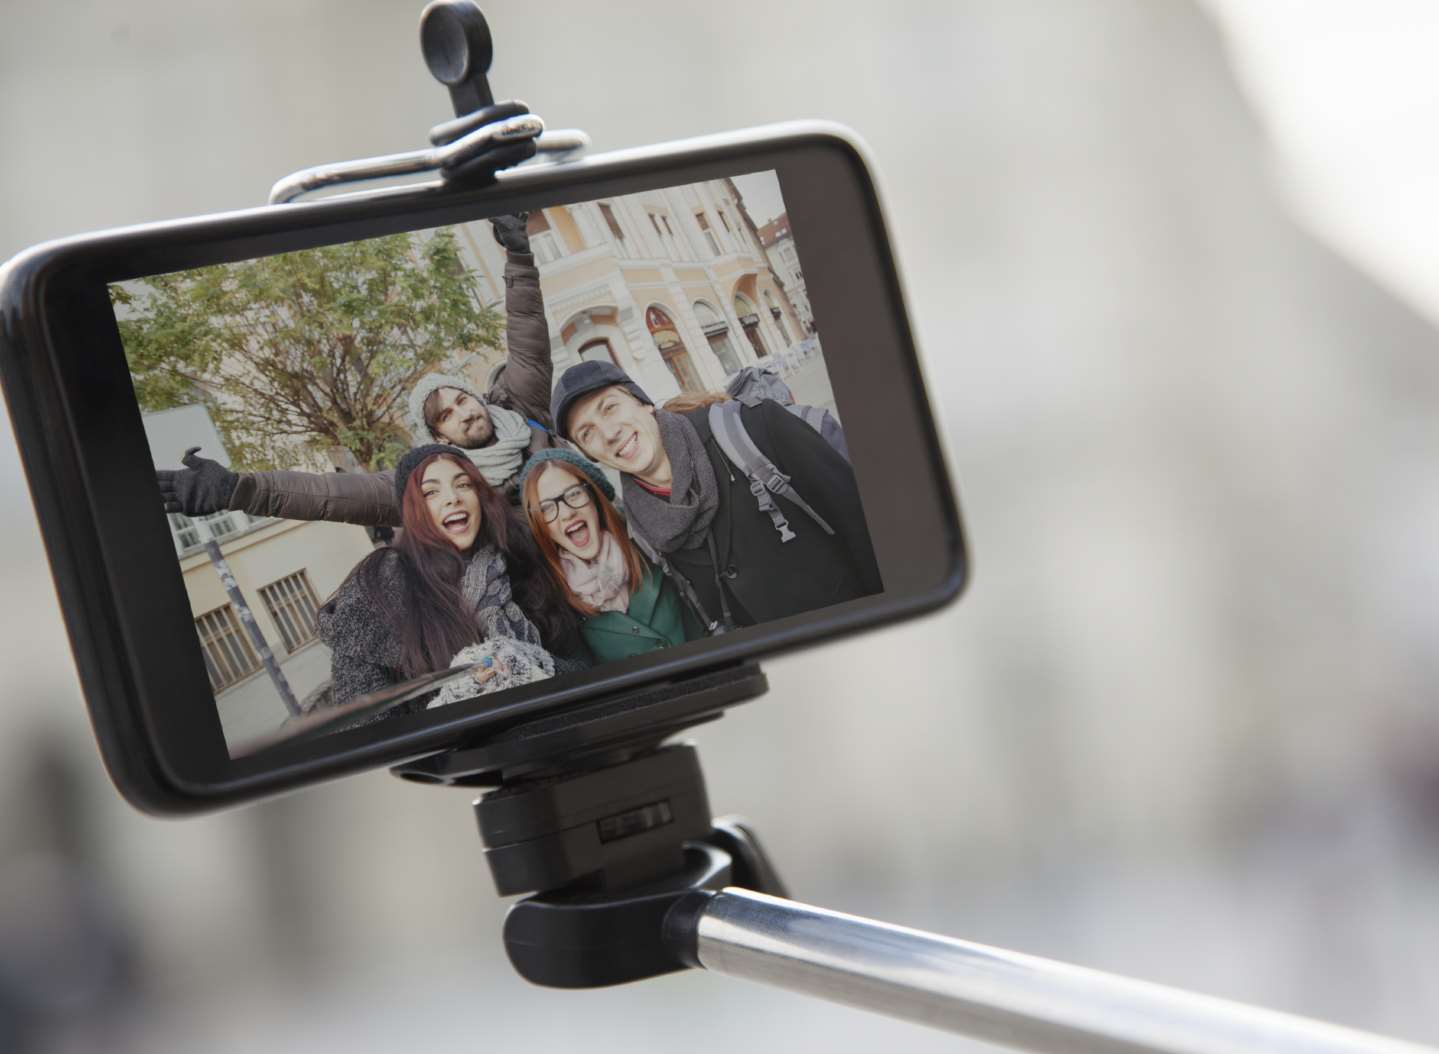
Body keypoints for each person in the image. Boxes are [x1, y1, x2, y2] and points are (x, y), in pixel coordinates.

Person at [157, 213, 559, 524]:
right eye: (447, 415)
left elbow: (527, 339)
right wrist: (236, 490)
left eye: (462, 399)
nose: (464, 412)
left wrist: (518, 255)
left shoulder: (523, 414)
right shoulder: (431, 486)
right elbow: (330, 494)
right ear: (438, 435)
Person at [549, 361, 882, 631]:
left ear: (644, 403)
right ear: (589, 454)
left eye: (610, 408)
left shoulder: (755, 428)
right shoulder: (641, 530)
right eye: (587, 433)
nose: (608, 434)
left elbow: (869, 530)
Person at [315, 444, 586, 722]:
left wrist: (527, 663)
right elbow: (365, 726)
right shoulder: (379, 590)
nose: (452, 498)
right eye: (431, 492)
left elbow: (582, 665)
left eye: (464, 485)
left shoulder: (521, 558)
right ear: (412, 510)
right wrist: (456, 701)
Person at [517, 449, 703, 662]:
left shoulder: (650, 545)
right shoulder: (552, 605)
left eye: (574, 494)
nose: (568, 513)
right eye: (547, 508)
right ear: (540, 525)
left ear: (594, 496)